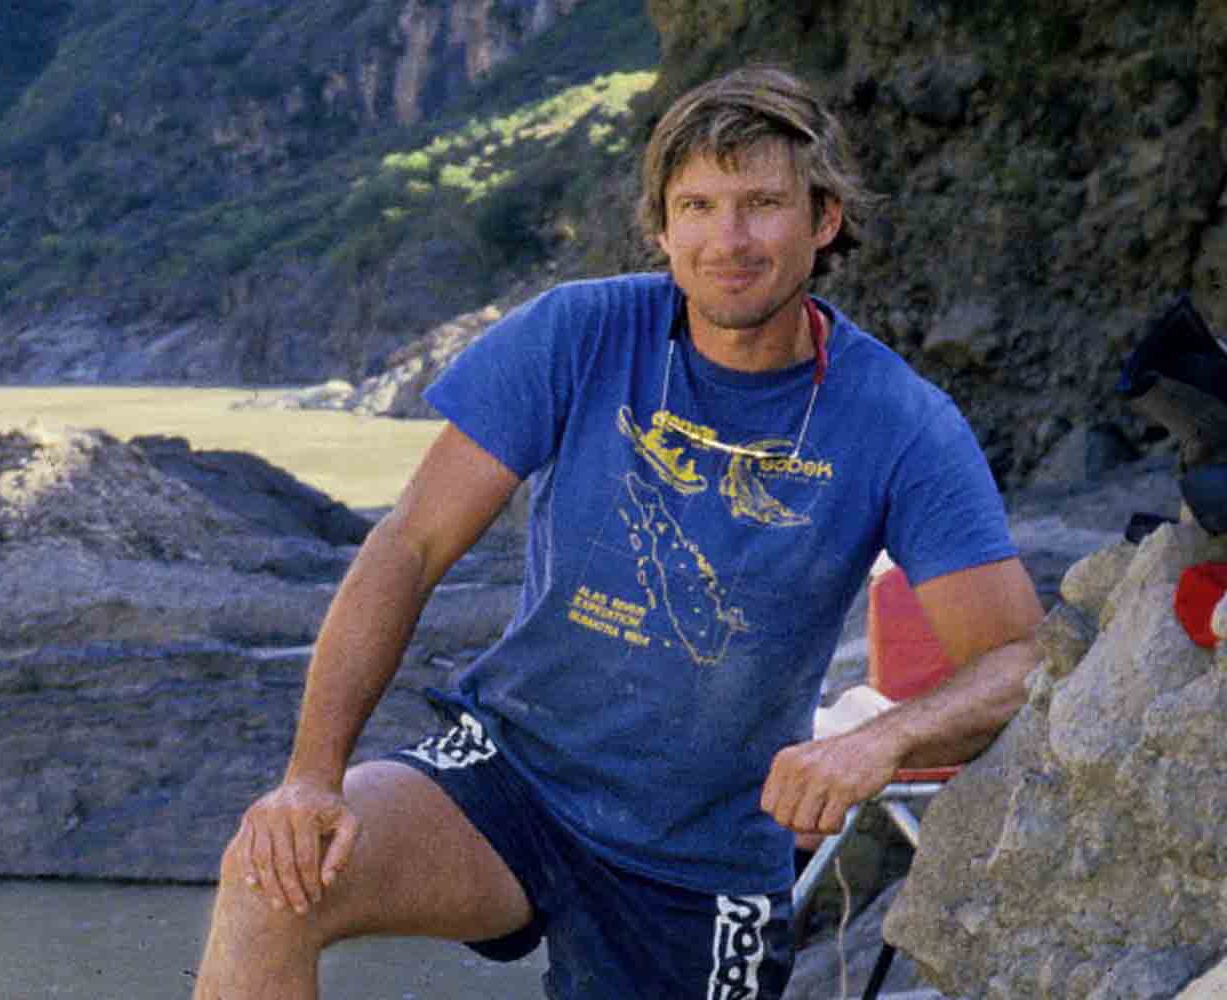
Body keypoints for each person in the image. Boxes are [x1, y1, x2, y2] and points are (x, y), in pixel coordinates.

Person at [190, 63, 1045, 999]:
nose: (730, 238)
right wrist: (311, 778)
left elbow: (1014, 660)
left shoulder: (901, 422)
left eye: (762, 203)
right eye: (699, 205)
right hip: (514, 776)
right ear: (662, 228)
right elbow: (409, 546)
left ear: (823, 219)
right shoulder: (579, 334)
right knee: (273, 876)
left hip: (701, 856)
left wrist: (880, 742)